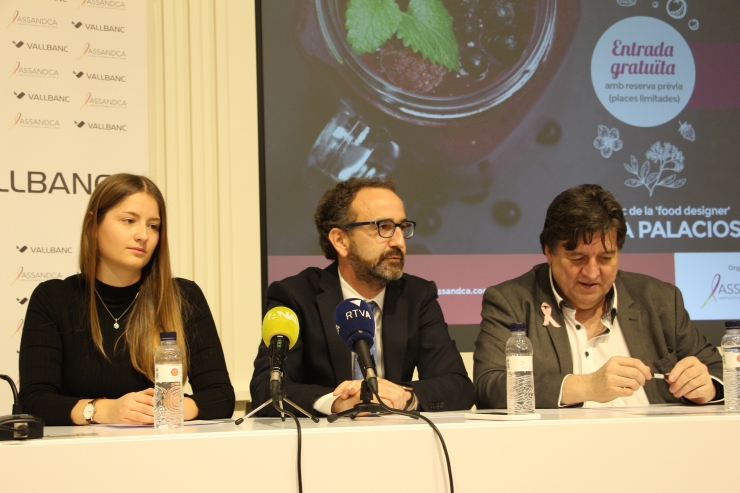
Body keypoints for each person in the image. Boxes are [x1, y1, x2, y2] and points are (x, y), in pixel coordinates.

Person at [474, 184, 723, 409]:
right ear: (549, 252)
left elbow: (720, 371)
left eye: (605, 258)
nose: (592, 272)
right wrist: (587, 386)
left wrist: (707, 387)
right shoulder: (512, 301)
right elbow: (489, 386)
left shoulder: (659, 299)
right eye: (577, 258)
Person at [19, 174, 235, 425]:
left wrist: (168, 407)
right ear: (92, 224)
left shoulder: (184, 297)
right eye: (129, 221)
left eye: (153, 226)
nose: (143, 235)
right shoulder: (53, 298)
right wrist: (103, 411)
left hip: (161, 451)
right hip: (77, 454)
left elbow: (221, 396)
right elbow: (34, 400)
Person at [250, 177, 474, 416]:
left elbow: (458, 386)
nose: (399, 241)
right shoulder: (296, 296)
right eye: (384, 227)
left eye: (403, 227)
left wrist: (404, 397)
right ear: (341, 240)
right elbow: (267, 388)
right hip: (323, 442)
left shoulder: (417, 296)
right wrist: (337, 403)